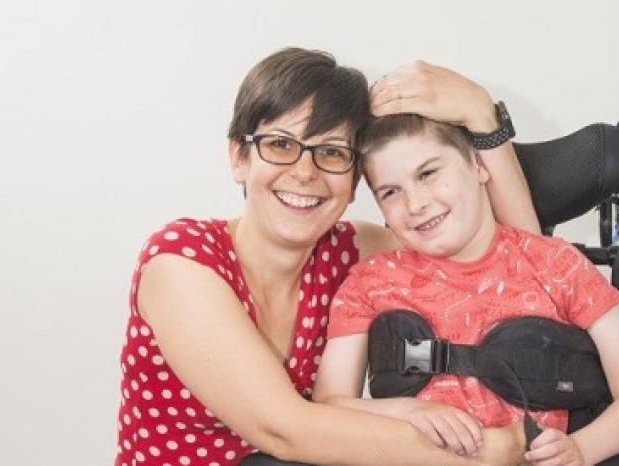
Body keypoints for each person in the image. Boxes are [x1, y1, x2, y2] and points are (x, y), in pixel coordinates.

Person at [116, 47, 538, 466]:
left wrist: (482, 117)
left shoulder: (353, 255)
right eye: (280, 144)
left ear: (355, 182)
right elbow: (283, 430)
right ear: (239, 158)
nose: (305, 172)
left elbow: (522, 263)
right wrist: (490, 451)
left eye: (332, 152)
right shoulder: (180, 261)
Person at [313, 115, 619, 466]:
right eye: (390, 192)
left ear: (479, 165)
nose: (415, 203)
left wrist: (582, 449)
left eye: (428, 173)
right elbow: (329, 406)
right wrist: (405, 411)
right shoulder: (369, 282)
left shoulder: (557, 265)